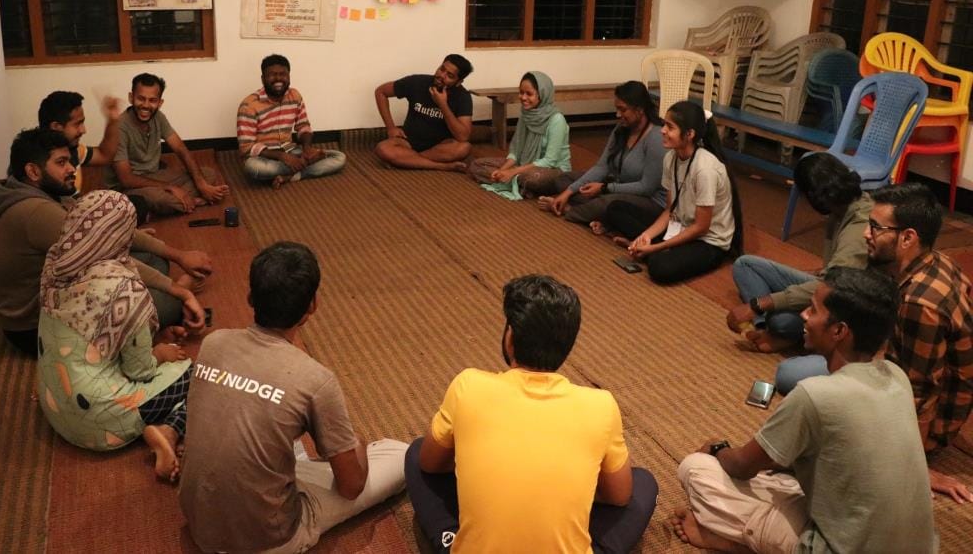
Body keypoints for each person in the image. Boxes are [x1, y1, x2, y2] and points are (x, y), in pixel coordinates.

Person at [672, 268, 937, 553]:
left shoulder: (814, 395)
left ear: (839, 331)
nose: (804, 316)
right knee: (787, 477)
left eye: (813, 310)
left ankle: (737, 543)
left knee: (695, 468)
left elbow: (742, 466)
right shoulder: (896, 375)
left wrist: (716, 448)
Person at [180, 242, 408, 553]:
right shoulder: (315, 379)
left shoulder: (212, 343)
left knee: (268, 449)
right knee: (398, 454)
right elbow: (351, 486)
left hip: (200, 523)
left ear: (250, 297)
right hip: (267, 540)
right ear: (312, 305)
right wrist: (358, 443)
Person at [405, 274, 658, 553]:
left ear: (510, 337)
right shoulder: (601, 405)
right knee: (643, 484)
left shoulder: (468, 385)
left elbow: (429, 463)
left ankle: (451, 538)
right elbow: (619, 496)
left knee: (417, 452)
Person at [776, 183, 973, 502]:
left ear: (908, 237)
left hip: (926, 419)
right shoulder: (935, 261)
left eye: (876, 227)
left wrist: (913, 464)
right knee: (807, 362)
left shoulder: (920, 303)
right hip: (890, 366)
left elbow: (921, 391)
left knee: (791, 378)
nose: (866, 234)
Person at [0, 129, 211, 356]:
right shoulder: (37, 212)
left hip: (64, 291)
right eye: (61, 163)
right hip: (38, 330)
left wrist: (178, 255)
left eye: (69, 161)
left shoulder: (47, 192)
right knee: (169, 302)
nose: (71, 169)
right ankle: (155, 320)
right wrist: (181, 292)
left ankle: (150, 313)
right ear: (33, 171)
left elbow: (105, 231)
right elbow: (107, 260)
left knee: (155, 258)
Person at [37, 190, 194, 481]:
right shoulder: (124, 289)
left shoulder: (54, 265)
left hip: (56, 407)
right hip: (99, 422)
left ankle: (167, 425)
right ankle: (169, 429)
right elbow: (140, 371)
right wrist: (160, 354)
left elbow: (97, 337)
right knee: (199, 377)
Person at [726, 153, 871, 353]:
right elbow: (832, 272)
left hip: (844, 304)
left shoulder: (858, 226)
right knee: (745, 265)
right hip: (829, 285)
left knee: (781, 322)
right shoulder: (840, 209)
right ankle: (766, 329)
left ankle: (779, 331)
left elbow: (832, 287)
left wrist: (758, 305)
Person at [602, 100, 742, 284]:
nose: (662, 130)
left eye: (670, 127)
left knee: (660, 268)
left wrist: (655, 247)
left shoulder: (705, 169)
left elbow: (701, 227)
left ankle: (653, 251)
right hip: (680, 226)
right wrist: (646, 237)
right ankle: (651, 248)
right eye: (664, 125)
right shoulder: (670, 158)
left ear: (689, 134)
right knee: (615, 209)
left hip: (707, 241)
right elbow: (670, 211)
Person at [537, 80, 665, 226]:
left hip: (648, 200)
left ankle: (570, 210)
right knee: (564, 180)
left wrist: (605, 188)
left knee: (608, 203)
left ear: (640, 110)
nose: (618, 114)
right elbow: (602, 167)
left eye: (623, 110)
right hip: (617, 185)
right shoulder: (621, 129)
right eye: (617, 109)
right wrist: (568, 192)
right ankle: (591, 210)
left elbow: (646, 188)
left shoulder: (656, 137)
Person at [108, 72, 230, 216]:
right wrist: (171, 187)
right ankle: (189, 201)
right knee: (163, 200)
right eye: (141, 98)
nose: (146, 105)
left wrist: (201, 184)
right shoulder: (118, 127)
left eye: (152, 100)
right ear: (131, 97)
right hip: (127, 188)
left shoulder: (158, 118)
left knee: (207, 174)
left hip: (154, 176)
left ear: (160, 103)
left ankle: (181, 201)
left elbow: (181, 149)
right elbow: (126, 179)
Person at [237, 54, 348, 189]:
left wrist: (307, 149)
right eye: (272, 75)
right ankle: (303, 167)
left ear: (289, 76)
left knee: (339, 157)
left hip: (292, 151)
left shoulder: (295, 96)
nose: (278, 78)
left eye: (283, 74)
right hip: (265, 157)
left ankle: (292, 175)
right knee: (253, 168)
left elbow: (303, 126)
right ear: (263, 78)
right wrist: (282, 156)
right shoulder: (249, 105)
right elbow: (246, 147)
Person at [468, 71, 570, 199]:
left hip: (553, 169)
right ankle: (517, 184)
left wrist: (512, 172)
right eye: (521, 92)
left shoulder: (556, 120)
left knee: (532, 178)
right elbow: (516, 151)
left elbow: (550, 161)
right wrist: (503, 170)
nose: (523, 97)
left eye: (529, 94)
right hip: (523, 164)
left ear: (542, 95)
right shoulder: (525, 115)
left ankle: (516, 181)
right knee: (477, 165)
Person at [374, 54, 474, 171]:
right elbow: (381, 92)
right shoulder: (418, 82)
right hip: (408, 141)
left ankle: (404, 160)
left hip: (439, 146)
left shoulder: (463, 96)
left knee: (464, 148)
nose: (442, 76)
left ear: (458, 82)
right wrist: (391, 127)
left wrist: (442, 104)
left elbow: (463, 136)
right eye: (442, 69)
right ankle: (442, 166)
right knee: (382, 148)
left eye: (450, 76)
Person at [38, 90, 123, 194]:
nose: (83, 130)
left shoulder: (75, 150)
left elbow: (104, 155)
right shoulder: (38, 160)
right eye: (77, 124)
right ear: (56, 127)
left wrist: (113, 120)